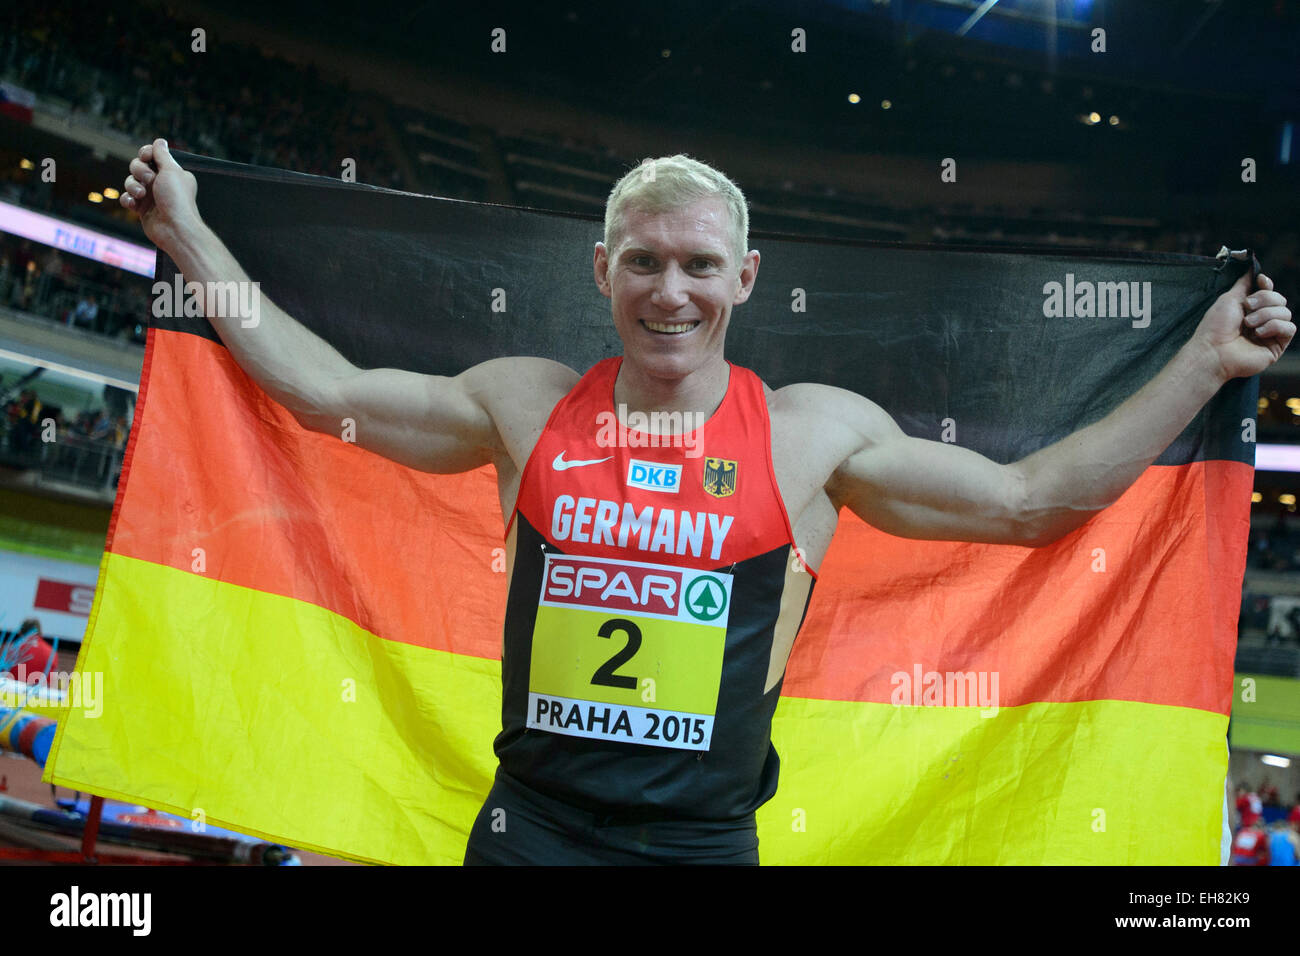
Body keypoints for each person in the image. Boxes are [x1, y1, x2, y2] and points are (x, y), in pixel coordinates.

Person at [121, 139, 1295, 865]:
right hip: (527, 834)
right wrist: (183, 228)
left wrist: (1202, 363)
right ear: (602, 271)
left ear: (743, 277)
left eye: (696, 264)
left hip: (697, 847)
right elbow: (324, 389)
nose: (667, 289)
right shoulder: (524, 405)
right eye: (641, 260)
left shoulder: (808, 435)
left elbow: (1031, 500)